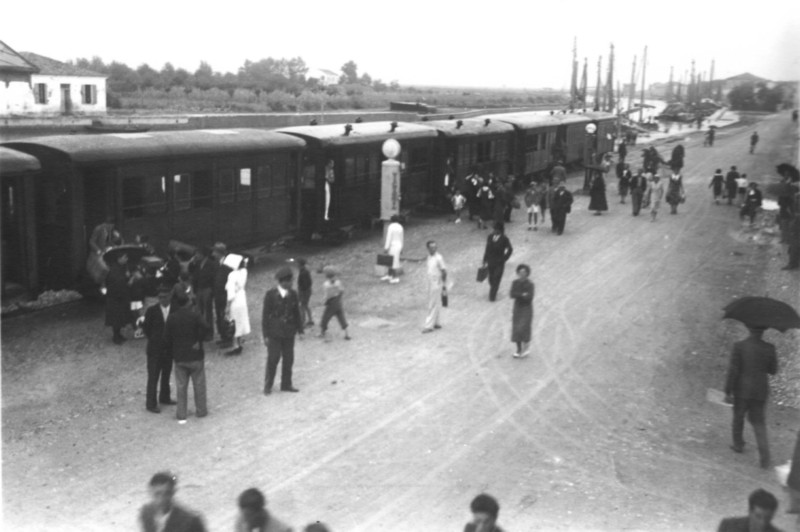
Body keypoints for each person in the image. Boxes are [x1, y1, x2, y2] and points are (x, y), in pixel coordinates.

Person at [724, 326, 777, 468]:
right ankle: (765, 459)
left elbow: (733, 371)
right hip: (760, 391)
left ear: (749, 329)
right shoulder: (770, 348)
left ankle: (738, 444)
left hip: (742, 390)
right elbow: (773, 370)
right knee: (759, 423)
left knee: (738, 417)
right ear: (763, 331)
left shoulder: (739, 346)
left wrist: (727, 390)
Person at [164, 292, 210, 423]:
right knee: (199, 384)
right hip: (195, 355)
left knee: (181, 386)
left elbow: (166, 338)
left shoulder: (172, 318)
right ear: (188, 302)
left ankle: (181, 413)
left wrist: (173, 350)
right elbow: (207, 327)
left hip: (180, 357)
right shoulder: (195, 315)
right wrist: (199, 340)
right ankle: (201, 410)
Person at [262, 267, 304, 395]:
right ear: (283, 282)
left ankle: (286, 384)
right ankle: (268, 385)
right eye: (290, 281)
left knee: (289, 359)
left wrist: (300, 329)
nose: (292, 283)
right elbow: (265, 316)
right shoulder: (270, 295)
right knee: (273, 359)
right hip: (274, 333)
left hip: (289, 332)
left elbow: (296, 312)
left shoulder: (293, 294)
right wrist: (265, 335)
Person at [142, 285, 176, 414]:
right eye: (160, 297)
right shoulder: (152, 311)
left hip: (168, 349)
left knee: (166, 374)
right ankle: (151, 403)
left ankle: (164, 397)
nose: (162, 300)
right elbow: (146, 329)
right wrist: (155, 339)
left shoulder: (174, 309)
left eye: (164, 297)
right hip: (155, 350)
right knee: (153, 376)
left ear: (169, 297)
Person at [139, 472, 206, 532]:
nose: (162, 499)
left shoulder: (190, 520)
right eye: (157, 494)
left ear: (173, 492)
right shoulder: (146, 514)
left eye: (167, 494)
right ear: (150, 492)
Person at [716, 489, 782, 532]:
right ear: (750, 511)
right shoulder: (728, 527)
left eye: (768, 518)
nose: (763, 522)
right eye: (758, 516)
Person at [224, 254, 251, 356]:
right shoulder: (244, 272)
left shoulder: (232, 275)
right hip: (242, 299)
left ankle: (235, 345)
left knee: (233, 322)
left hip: (235, 301)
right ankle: (239, 343)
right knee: (240, 322)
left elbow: (230, 293)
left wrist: (227, 306)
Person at [482, 222, 513, 302]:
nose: (494, 231)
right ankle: (494, 288)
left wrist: (505, 258)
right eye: (494, 229)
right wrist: (484, 259)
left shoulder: (504, 239)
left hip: (499, 262)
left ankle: (492, 296)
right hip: (491, 261)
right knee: (491, 278)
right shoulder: (490, 237)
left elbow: (510, 249)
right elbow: (487, 248)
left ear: (500, 230)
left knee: (497, 277)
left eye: (496, 229)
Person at [191, 246, 217, 342]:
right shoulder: (196, 264)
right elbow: (193, 275)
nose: (196, 255)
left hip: (207, 289)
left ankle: (209, 333)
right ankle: (202, 332)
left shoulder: (210, 264)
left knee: (208, 312)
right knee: (199, 312)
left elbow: (213, 278)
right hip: (199, 289)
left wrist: (212, 291)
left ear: (203, 254)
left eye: (198, 253)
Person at [106, 252, 133, 344]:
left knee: (120, 317)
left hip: (120, 296)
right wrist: (128, 279)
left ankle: (118, 334)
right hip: (115, 297)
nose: (126, 259)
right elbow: (117, 282)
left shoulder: (122, 268)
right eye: (125, 257)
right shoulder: (114, 269)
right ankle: (116, 336)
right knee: (116, 317)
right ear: (119, 258)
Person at [319, 266, 351, 341]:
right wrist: (339, 297)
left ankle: (322, 332)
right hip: (338, 301)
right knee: (341, 317)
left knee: (325, 318)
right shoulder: (338, 282)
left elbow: (327, 296)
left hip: (331, 303)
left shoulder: (326, 284)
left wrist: (324, 301)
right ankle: (347, 334)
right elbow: (342, 291)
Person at [510, 264, 534, 358]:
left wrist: (519, 295)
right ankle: (519, 349)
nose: (522, 274)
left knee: (524, 327)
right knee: (516, 328)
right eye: (520, 272)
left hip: (526, 308)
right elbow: (512, 294)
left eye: (524, 272)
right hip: (517, 307)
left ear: (527, 273)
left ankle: (526, 347)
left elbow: (530, 297)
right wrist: (522, 294)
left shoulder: (530, 284)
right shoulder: (515, 283)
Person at [212, 243, 234, 348]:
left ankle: (228, 338)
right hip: (218, 294)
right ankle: (223, 336)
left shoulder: (227, 264)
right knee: (219, 315)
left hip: (224, 294)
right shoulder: (218, 263)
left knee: (225, 315)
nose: (213, 254)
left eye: (215, 252)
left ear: (219, 252)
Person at [422, 240, 447, 333]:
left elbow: (444, 271)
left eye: (435, 247)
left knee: (432, 303)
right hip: (431, 282)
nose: (433, 249)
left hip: (436, 282)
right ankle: (436, 322)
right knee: (435, 302)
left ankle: (429, 325)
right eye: (431, 247)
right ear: (428, 248)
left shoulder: (439, 258)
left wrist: (443, 283)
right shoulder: (429, 257)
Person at [382, 214, 404, 284]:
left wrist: (386, 247)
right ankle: (389, 275)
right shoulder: (400, 227)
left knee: (393, 261)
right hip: (398, 245)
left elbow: (389, 237)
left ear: (391, 220)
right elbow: (402, 238)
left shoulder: (391, 227)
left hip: (393, 245)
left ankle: (395, 277)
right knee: (391, 261)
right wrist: (402, 248)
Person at [296, 258, 314, 327]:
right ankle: (310, 320)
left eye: (297, 264)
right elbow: (310, 282)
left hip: (304, 292)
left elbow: (305, 284)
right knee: (306, 305)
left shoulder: (303, 273)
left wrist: (301, 290)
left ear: (300, 265)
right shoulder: (305, 271)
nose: (296, 265)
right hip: (307, 291)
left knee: (302, 307)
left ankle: (302, 323)